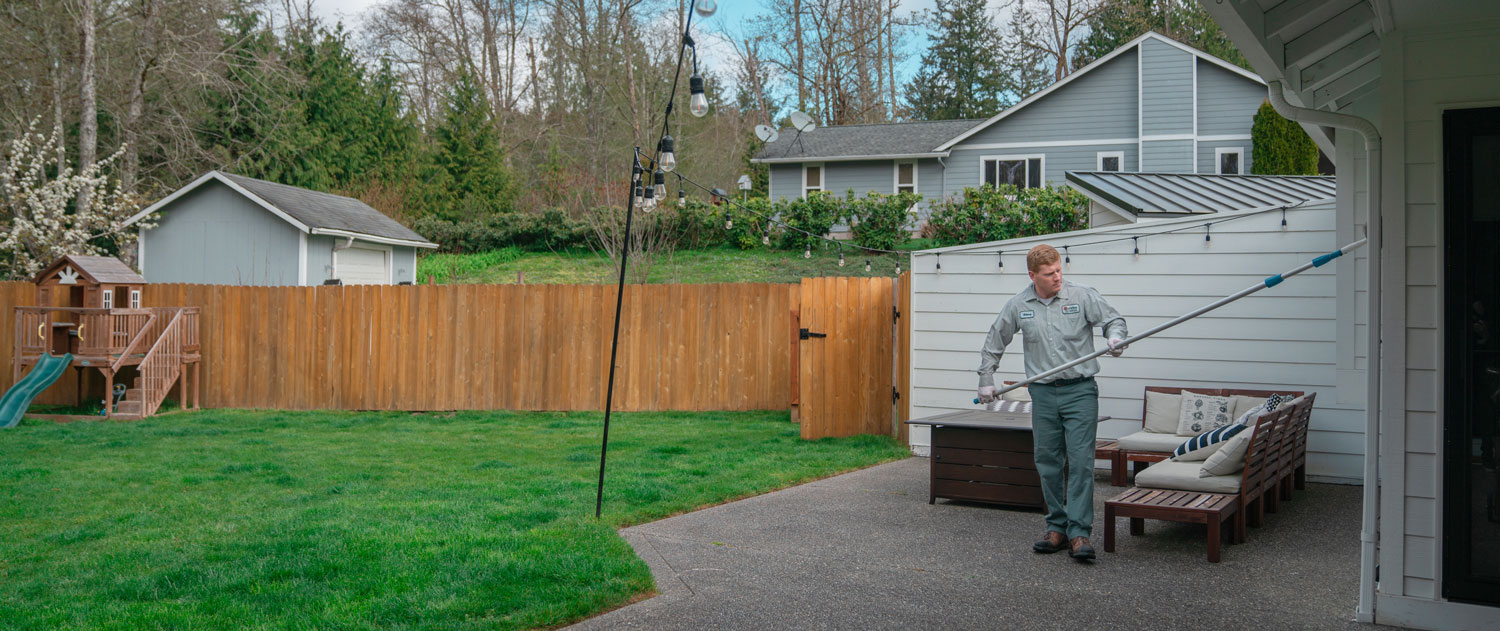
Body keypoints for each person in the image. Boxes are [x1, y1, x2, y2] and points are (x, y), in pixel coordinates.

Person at [976, 244, 1127, 561]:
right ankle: (1056, 527)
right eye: (1049, 273)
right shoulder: (1019, 305)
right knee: (1047, 461)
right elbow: (995, 340)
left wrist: (1115, 338)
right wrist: (986, 378)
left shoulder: (1081, 296)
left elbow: (1113, 320)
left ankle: (1079, 533)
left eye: (1059, 270)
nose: (1057, 277)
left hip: (1080, 390)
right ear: (1033, 276)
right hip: (1043, 393)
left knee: (1081, 462)